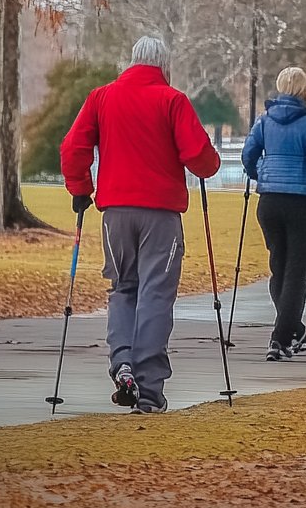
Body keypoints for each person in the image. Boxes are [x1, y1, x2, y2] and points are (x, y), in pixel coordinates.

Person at [60, 35, 221, 414]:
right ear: (163, 65)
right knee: (155, 294)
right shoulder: (172, 100)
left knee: (123, 288)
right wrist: (209, 165)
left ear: (132, 61)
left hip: (115, 212)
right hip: (160, 215)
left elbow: (72, 148)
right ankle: (148, 388)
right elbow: (199, 156)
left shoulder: (101, 98)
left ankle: (123, 364)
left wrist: (81, 188)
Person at [241, 66, 306, 361]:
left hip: (269, 201)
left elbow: (248, 155)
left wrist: (262, 174)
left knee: (279, 268)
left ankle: (293, 330)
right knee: (297, 271)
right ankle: (280, 339)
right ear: (303, 89)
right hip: (302, 201)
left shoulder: (265, 120)